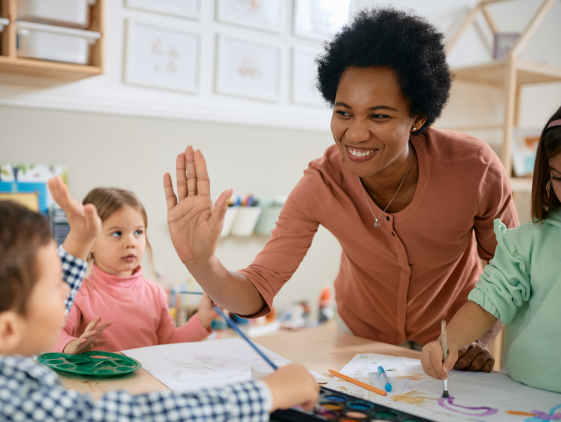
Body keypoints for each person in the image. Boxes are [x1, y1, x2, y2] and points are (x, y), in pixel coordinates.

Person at [163, 7, 519, 371]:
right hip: (361, 337)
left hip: (453, 337)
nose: (356, 133)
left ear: (418, 118)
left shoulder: (474, 168)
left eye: (379, 116)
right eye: (344, 112)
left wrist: (474, 338)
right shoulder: (322, 184)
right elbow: (255, 292)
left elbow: (511, 270)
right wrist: (201, 262)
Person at [0, 176, 319, 421]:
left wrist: (74, 245)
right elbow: (144, 416)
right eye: (56, 284)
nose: (69, 286)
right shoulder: (21, 407)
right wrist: (263, 394)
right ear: (6, 329)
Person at [420, 87, 561, 395]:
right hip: (522, 396)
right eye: (560, 178)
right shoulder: (527, 243)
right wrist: (449, 343)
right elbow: (487, 303)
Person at [51, 187, 218, 354]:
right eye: (117, 233)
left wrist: (203, 318)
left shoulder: (155, 293)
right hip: (98, 381)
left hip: (149, 380)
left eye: (138, 232)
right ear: (91, 242)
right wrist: (71, 345)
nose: (131, 242)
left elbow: (169, 344)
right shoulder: (78, 293)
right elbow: (56, 335)